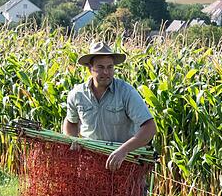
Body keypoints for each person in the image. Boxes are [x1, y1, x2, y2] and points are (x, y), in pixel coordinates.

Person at [62, 42, 156, 171]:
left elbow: (149, 127)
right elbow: (70, 121)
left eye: (110, 67)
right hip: (90, 164)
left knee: (125, 191)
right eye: (100, 67)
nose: (106, 72)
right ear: (90, 68)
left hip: (124, 163)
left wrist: (123, 150)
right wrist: (72, 139)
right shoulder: (77, 94)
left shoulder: (126, 92)